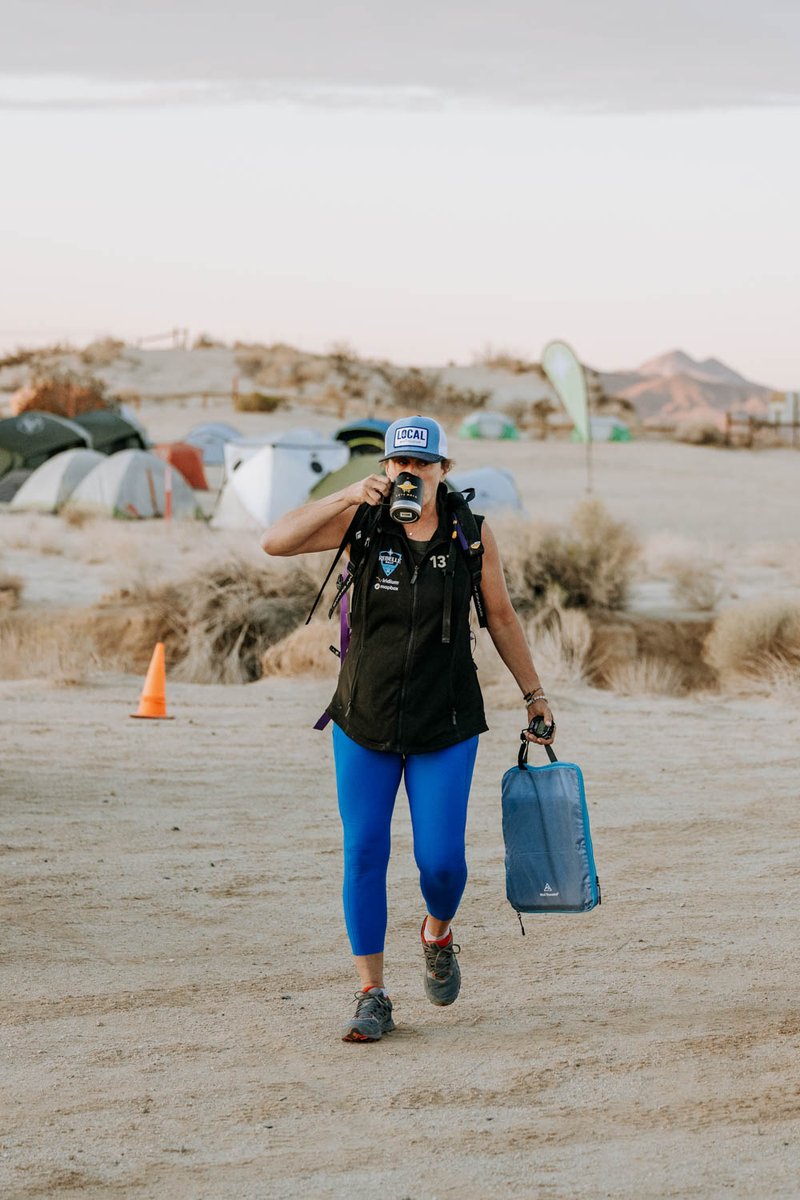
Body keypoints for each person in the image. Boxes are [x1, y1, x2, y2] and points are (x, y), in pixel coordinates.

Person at [261, 415, 555, 1043]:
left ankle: (437, 933)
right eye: (400, 462)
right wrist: (346, 495)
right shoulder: (362, 521)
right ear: (386, 466)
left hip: (444, 720)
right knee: (364, 851)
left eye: (423, 464)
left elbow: (501, 617)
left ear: (444, 470)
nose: (410, 473)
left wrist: (534, 695)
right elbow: (275, 542)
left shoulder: (472, 533)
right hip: (363, 715)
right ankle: (372, 994)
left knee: (441, 863)